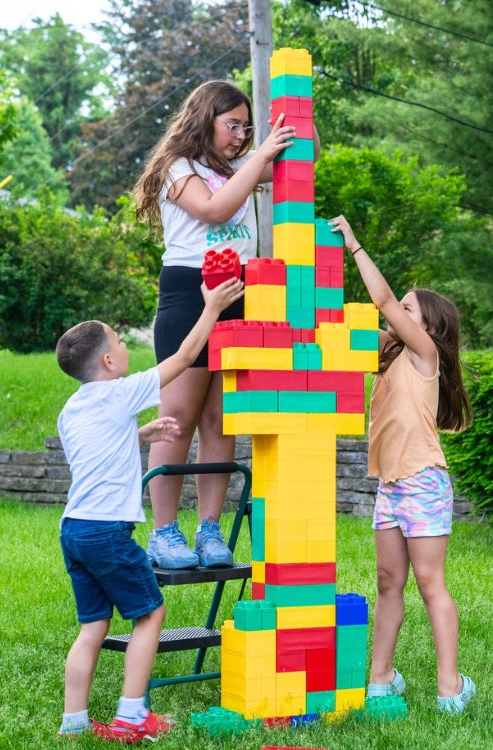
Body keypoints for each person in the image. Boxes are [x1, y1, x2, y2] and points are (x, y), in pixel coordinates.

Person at [53, 277, 245, 740]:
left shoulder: (71, 409)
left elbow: (93, 451)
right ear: (108, 361)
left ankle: (73, 723)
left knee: (93, 625)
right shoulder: (121, 392)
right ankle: (132, 716)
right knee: (150, 615)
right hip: (106, 533)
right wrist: (213, 308)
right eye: (120, 341)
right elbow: (181, 359)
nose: (125, 347)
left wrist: (140, 436)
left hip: (74, 530)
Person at [132, 79, 296, 569]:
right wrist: (258, 158)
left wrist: (287, 127)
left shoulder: (234, 169)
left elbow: (299, 162)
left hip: (241, 291)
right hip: (190, 291)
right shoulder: (177, 168)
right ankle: (163, 533)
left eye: (247, 128)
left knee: (219, 419)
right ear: (204, 118)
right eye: (232, 125)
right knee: (177, 418)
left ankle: (208, 530)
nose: (241, 136)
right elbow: (214, 209)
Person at [327, 215, 477, 714]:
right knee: (388, 582)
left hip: (424, 483)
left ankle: (450, 687)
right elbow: (341, 331)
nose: (395, 314)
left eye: (409, 310)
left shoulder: (424, 354)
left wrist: (354, 248)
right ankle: (379, 678)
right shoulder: (390, 355)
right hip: (391, 486)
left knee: (431, 583)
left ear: (427, 326)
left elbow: (384, 301)